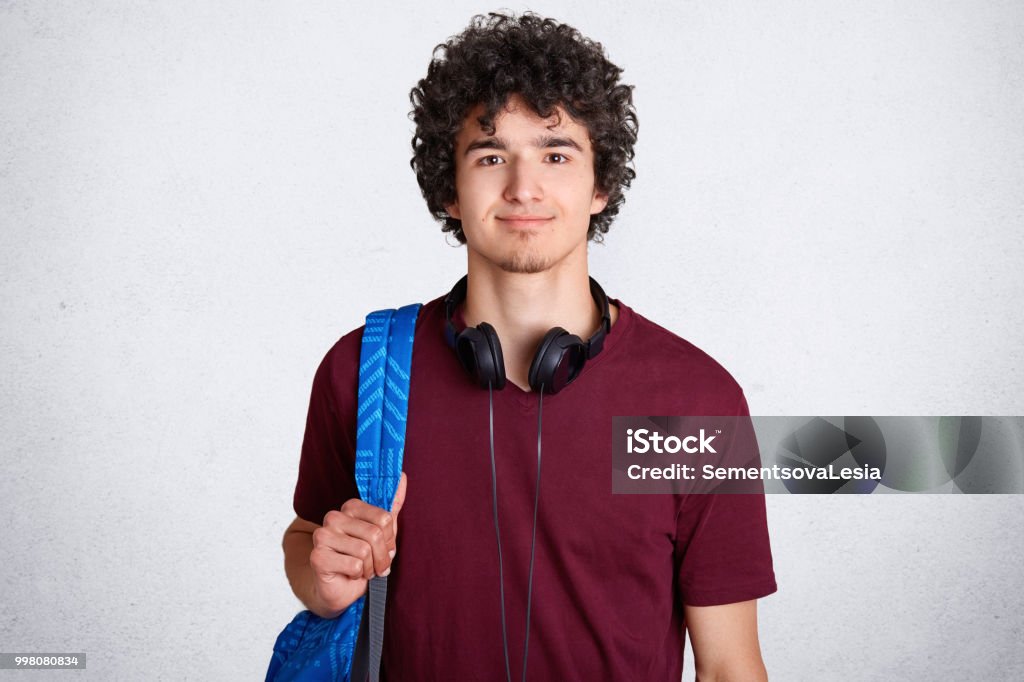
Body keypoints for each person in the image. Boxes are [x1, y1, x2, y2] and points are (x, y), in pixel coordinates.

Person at [281, 12, 776, 680]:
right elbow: (308, 539)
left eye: (556, 154)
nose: (523, 188)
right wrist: (323, 582)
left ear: (600, 186)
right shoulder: (363, 371)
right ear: (450, 190)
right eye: (491, 156)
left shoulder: (698, 402)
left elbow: (729, 668)